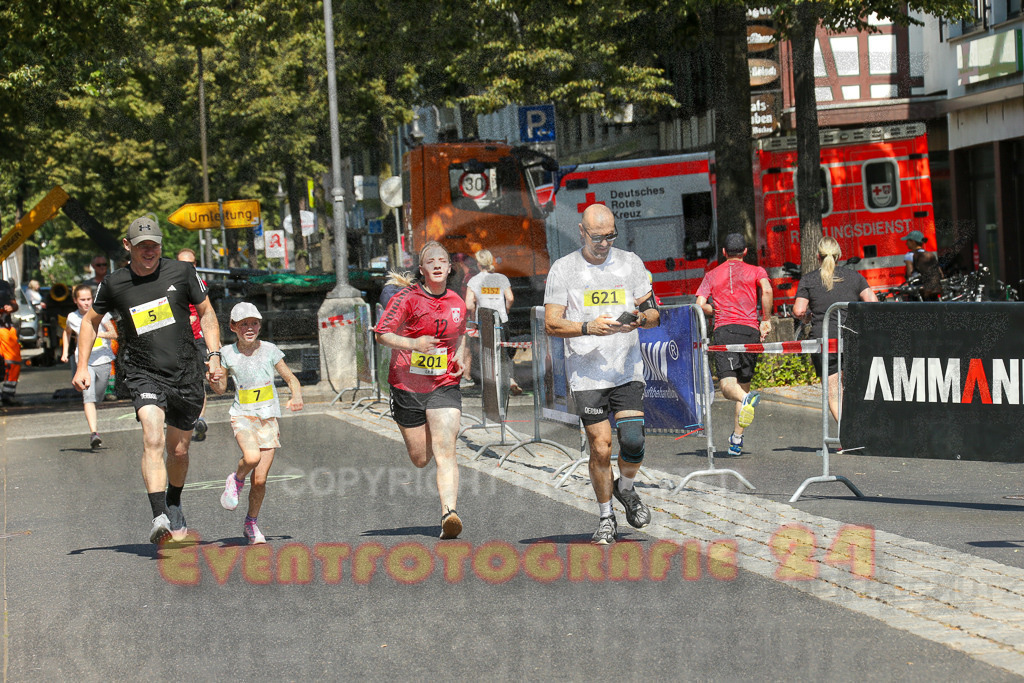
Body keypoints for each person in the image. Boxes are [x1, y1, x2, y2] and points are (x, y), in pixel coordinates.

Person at [73, 216, 224, 545]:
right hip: (143, 372)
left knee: (179, 451)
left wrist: (214, 355)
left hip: (185, 372)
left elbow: (207, 313)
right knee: (152, 437)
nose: (149, 251)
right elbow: (89, 322)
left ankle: (173, 501)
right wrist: (82, 365)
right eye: (142, 246)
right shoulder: (115, 283)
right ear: (128, 246)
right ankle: (158, 516)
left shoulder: (181, 272)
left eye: (154, 245)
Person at [544, 203, 661, 545]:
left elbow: (653, 312)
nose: (604, 244)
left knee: (634, 442)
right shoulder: (564, 269)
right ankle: (606, 516)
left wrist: (640, 320)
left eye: (610, 236)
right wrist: (588, 327)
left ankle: (626, 487)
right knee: (601, 447)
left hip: (626, 367)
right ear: (581, 232)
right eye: (597, 237)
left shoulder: (630, 262)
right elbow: (552, 323)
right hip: (587, 373)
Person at [374, 241, 469, 539]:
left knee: (446, 449)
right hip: (407, 385)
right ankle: (447, 509)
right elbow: (381, 334)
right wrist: (413, 343)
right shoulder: (406, 298)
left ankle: (449, 514)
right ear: (422, 269)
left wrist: (459, 356)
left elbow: (461, 333)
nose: (437, 264)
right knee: (420, 458)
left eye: (443, 260)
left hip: (444, 383)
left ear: (450, 268)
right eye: (431, 261)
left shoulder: (457, 301)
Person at [212, 302, 303, 545]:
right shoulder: (227, 353)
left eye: (254, 323)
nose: (249, 328)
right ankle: (236, 479)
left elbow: (291, 378)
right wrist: (214, 378)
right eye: (244, 324)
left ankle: (251, 523)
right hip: (243, 416)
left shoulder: (270, 350)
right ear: (233, 327)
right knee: (251, 458)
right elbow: (220, 388)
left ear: (260, 325)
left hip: (268, 418)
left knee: (260, 480)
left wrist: (296, 396)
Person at [695, 233, 773, 457]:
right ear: (745, 251)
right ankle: (736, 440)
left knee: (729, 386)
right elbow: (767, 290)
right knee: (743, 386)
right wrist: (766, 319)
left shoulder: (711, 274)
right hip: (750, 332)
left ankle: (747, 401)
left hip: (725, 331)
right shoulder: (757, 270)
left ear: (724, 252)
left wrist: (715, 309)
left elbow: (699, 304)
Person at [793, 237, 878, 422]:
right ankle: (862, 427)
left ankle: (846, 432)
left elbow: (798, 310)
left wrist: (806, 317)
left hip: (826, 340)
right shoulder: (855, 277)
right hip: (852, 338)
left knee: (834, 392)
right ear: (839, 256)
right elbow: (873, 303)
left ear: (818, 256)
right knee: (854, 387)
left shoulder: (809, 279)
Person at [60, 284, 116, 449]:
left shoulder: (101, 314)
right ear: (75, 301)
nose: (86, 303)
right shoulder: (72, 317)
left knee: (98, 396)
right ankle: (94, 433)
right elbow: (67, 331)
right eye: (82, 300)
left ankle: (93, 412)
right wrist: (65, 352)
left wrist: (98, 334)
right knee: (88, 396)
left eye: (89, 299)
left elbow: (114, 334)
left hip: (103, 359)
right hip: (84, 362)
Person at [465, 248, 521, 395]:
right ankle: (510, 379)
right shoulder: (501, 278)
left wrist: (474, 313)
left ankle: (490, 384)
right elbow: (510, 298)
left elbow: (469, 304)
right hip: (501, 320)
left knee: (486, 352)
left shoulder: (474, 281)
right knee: (503, 350)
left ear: (478, 264)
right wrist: (506, 310)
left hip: (484, 321)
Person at [176, 248, 210, 440]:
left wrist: (215, 344)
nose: (187, 268)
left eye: (191, 264)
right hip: (177, 341)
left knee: (199, 380)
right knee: (180, 382)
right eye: (183, 264)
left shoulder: (201, 284)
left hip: (198, 339)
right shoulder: (169, 285)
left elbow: (208, 313)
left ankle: (200, 418)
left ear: (195, 265)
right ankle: (182, 418)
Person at [904, 229, 942, 300]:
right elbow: (940, 272)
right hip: (932, 289)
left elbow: (910, 274)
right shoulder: (930, 254)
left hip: (919, 291)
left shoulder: (909, 255)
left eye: (908, 241)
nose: (906, 243)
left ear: (913, 242)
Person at [0, 278, 21, 407]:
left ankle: (8, 394)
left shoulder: (4, 285)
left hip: (5, 328)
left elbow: (14, 304)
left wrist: (11, 308)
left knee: (14, 361)